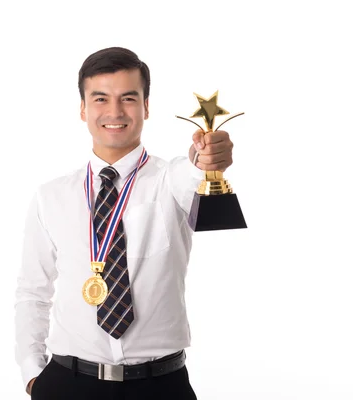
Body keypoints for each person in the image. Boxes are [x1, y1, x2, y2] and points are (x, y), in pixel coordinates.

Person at [14, 47, 235, 399]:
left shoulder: (171, 180)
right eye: (100, 98)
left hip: (160, 386)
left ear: (146, 106)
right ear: (83, 109)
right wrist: (32, 374)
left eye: (128, 98)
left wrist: (207, 159)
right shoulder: (51, 196)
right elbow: (32, 291)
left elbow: (194, 173)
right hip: (68, 382)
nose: (114, 112)